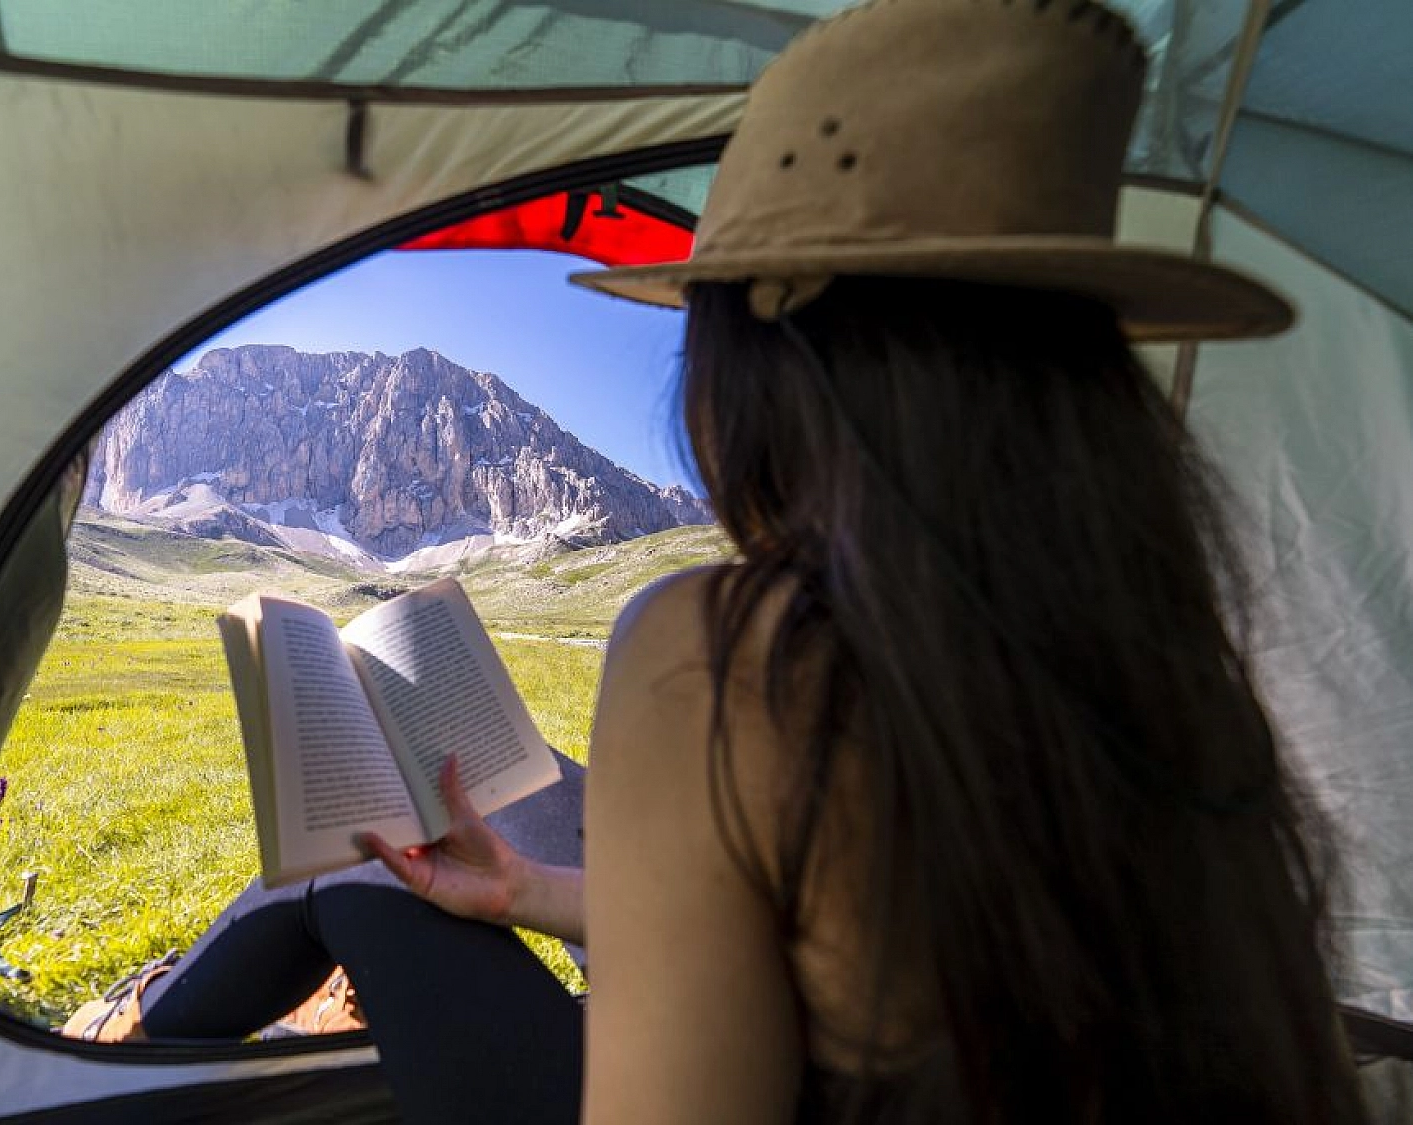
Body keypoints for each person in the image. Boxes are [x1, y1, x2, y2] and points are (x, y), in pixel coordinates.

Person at [74, 2, 1373, 1122]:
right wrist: (528, 888)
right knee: (412, 862)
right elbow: (860, 958)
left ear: (768, 353)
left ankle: (129, 1053)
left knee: (359, 869)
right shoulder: (1164, 654)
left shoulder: (728, 647)